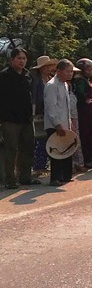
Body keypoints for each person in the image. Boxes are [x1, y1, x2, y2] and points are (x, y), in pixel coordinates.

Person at [0, 48, 40, 189]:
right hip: (10, 120)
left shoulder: (28, 75)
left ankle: (25, 177)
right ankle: (10, 180)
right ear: (11, 59)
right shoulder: (4, 76)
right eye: (19, 58)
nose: (22, 61)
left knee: (28, 148)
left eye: (24, 58)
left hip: (26, 119)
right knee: (11, 150)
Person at [44, 59, 75, 186]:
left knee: (66, 148)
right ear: (59, 71)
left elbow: (66, 107)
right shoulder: (52, 85)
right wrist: (57, 124)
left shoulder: (65, 85)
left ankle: (65, 175)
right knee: (56, 151)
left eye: (71, 72)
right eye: (67, 71)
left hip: (65, 122)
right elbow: (50, 107)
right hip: (54, 125)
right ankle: (55, 178)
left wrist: (68, 122)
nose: (70, 74)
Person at [31, 55, 56, 175]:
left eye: (49, 66)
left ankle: (45, 164)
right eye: (46, 67)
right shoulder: (36, 80)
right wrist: (33, 111)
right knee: (41, 139)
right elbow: (35, 98)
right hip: (40, 113)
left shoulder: (51, 79)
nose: (49, 69)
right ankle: (38, 166)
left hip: (50, 112)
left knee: (49, 138)